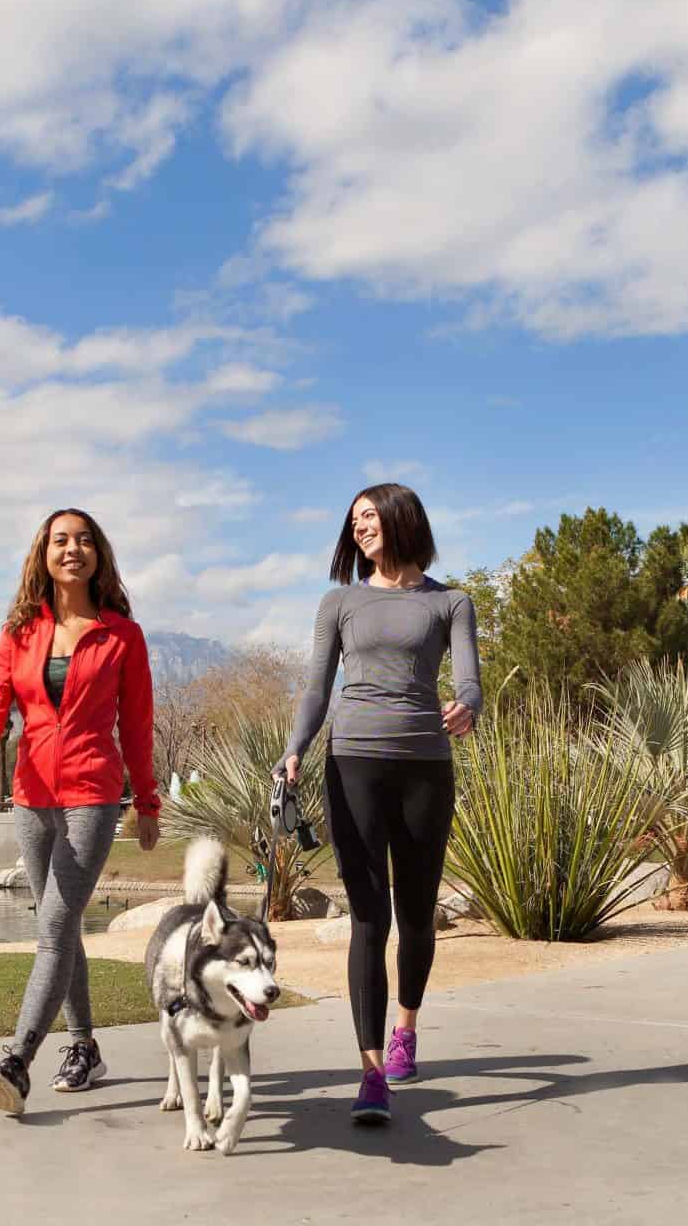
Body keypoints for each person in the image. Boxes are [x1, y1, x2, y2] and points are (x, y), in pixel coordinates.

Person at [281, 482, 480, 1125]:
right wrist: (295, 749)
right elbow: (316, 688)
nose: (360, 527)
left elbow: (470, 682)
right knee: (369, 916)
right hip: (353, 761)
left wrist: (469, 707)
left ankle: (406, 1029)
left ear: (400, 519)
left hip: (426, 764)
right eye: (354, 520)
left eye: (370, 516)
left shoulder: (451, 602)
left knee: (416, 914)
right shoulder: (339, 601)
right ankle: (370, 1075)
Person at [0, 507, 161, 1117]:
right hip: (31, 797)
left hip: (93, 795)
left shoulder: (123, 636)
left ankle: (17, 1059)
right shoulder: (18, 633)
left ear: (98, 555)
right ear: (43, 555)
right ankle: (84, 1048)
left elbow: (139, 725)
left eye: (83, 540)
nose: (72, 549)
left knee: (51, 927)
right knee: (63, 929)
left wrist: (146, 802)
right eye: (60, 540)